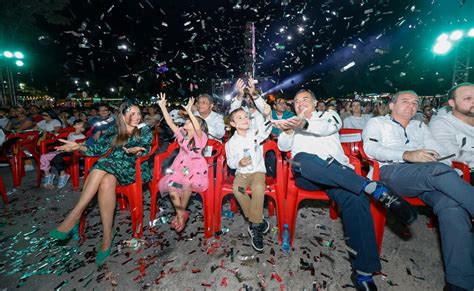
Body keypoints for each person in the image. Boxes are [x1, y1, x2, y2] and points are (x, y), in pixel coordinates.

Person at [275, 89, 416, 290]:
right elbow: (282, 146)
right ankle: (373, 188)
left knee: (356, 199)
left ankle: (363, 273)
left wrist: (303, 123)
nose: (300, 103)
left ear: (315, 103)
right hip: (307, 174)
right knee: (302, 159)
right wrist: (289, 130)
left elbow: (326, 128)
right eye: (296, 101)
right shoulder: (291, 123)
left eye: (305, 99)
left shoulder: (328, 115)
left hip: (337, 174)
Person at [363, 90, 474, 291]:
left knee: (452, 207)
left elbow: (438, 151)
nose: (411, 106)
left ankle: (460, 283)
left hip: (423, 176)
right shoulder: (378, 123)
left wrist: (446, 165)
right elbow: (371, 150)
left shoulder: (420, 126)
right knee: (438, 171)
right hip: (391, 172)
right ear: (391, 105)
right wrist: (407, 154)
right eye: (405, 101)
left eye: (415, 103)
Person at [50, 102, 152, 266]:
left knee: (102, 164)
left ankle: (74, 215)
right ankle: (107, 235)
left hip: (134, 168)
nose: (137, 117)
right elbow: (97, 149)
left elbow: (147, 147)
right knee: (106, 180)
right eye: (132, 113)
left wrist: (136, 150)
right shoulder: (114, 130)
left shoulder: (144, 129)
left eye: (138, 113)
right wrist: (78, 146)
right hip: (112, 169)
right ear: (122, 115)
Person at [157, 93, 209, 233]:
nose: (185, 121)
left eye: (189, 121)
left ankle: (180, 215)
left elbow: (197, 127)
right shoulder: (182, 134)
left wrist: (190, 112)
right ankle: (181, 214)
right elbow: (169, 123)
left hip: (195, 168)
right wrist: (163, 107)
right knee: (171, 184)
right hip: (180, 166)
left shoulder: (200, 137)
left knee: (187, 183)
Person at [226, 106, 272, 252]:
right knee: (237, 190)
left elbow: (266, 129)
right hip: (242, 174)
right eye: (240, 118)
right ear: (233, 124)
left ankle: (255, 226)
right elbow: (230, 162)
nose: (245, 119)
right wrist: (239, 162)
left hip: (257, 171)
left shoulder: (254, 133)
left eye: (246, 116)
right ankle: (257, 221)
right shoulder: (230, 143)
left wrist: (268, 115)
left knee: (259, 188)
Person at [430, 83, 473, 184]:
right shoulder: (441, 124)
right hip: (464, 175)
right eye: (468, 98)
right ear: (452, 103)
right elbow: (452, 154)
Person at [40, 120, 88, 189]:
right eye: (76, 123)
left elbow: (78, 147)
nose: (76, 123)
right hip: (62, 150)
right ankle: (48, 175)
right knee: (44, 157)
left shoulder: (82, 136)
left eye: (79, 124)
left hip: (72, 152)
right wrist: (54, 135)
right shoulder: (71, 134)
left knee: (57, 158)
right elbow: (59, 137)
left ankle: (63, 174)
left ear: (82, 128)